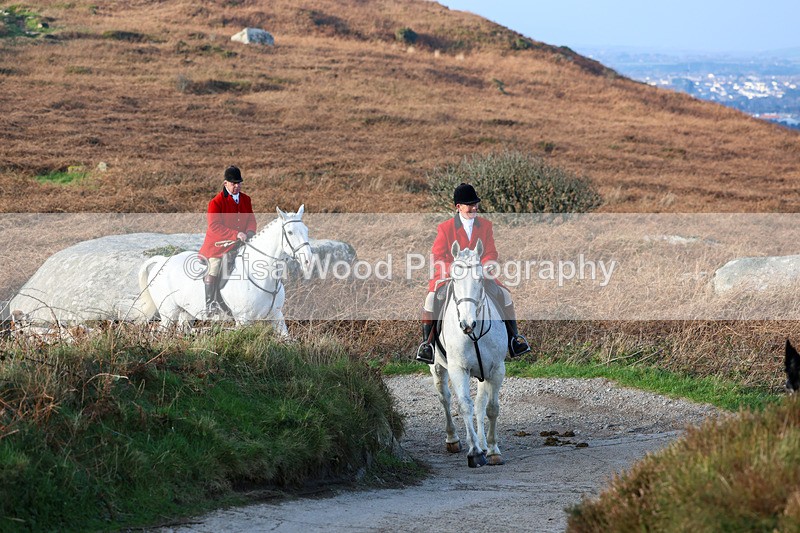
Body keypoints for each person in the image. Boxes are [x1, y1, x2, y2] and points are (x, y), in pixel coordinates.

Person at [416, 182, 531, 364]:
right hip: (451, 277)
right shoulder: (445, 228)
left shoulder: (485, 226)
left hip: (479, 275)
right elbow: (438, 255)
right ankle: (427, 345)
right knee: (431, 299)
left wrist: (484, 267)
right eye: (470, 204)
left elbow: (491, 252)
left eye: (476, 203)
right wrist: (454, 270)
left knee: (505, 295)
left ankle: (514, 340)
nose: (474, 207)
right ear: (458, 207)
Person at [198, 165, 257, 316]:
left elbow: (251, 219)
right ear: (225, 184)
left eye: (239, 183)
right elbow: (214, 226)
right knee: (215, 268)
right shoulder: (216, 202)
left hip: (240, 244)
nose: (237, 186)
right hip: (218, 246)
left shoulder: (246, 199)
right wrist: (236, 234)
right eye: (233, 183)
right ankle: (210, 304)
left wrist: (250, 232)